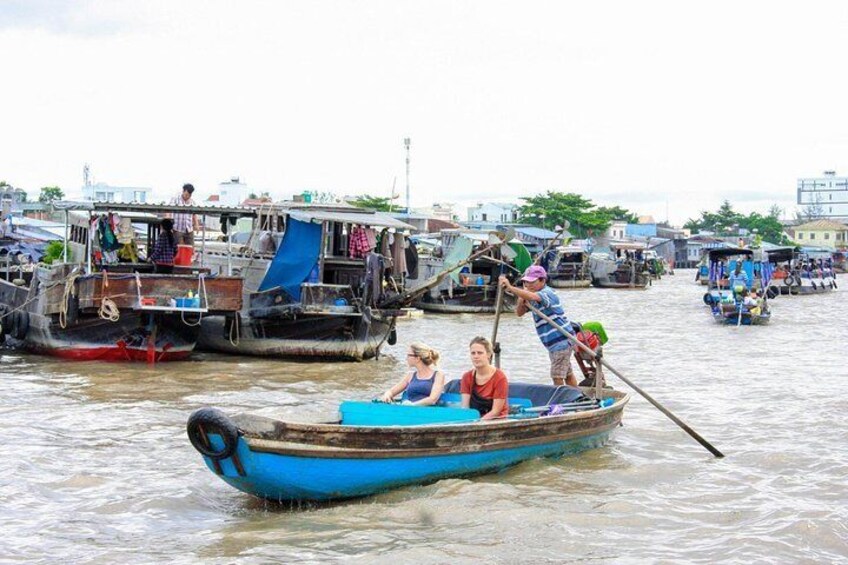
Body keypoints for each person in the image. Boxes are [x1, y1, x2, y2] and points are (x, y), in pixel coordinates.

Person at [499, 265, 577, 387]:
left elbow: (534, 297)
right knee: (567, 373)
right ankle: (576, 395)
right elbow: (519, 313)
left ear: (542, 281)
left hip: (562, 339)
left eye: (532, 282)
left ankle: (563, 401)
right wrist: (520, 300)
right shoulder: (531, 294)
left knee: (557, 376)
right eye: (526, 282)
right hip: (553, 344)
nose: (528, 285)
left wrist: (510, 288)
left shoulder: (547, 293)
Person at [380, 343, 445, 405]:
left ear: (417, 358)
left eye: (409, 355)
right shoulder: (410, 376)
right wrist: (387, 395)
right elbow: (391, 391)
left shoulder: (438, 375)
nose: (406, 358)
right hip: (410, 411)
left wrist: (413, 405)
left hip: (428, 412)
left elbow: (432, 400)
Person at [460, 337, 509, 419]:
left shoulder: (500, 378)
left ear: (489, 354)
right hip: (474, 419)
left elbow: (496, 411)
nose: (476, 356)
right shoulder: (467, 377)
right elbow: (465, 408)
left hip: (496, 420)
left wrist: (478, 423)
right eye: (473, 353)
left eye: (480, 353)